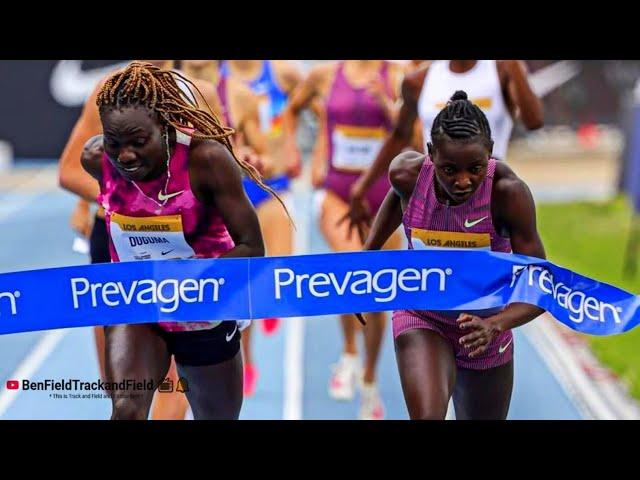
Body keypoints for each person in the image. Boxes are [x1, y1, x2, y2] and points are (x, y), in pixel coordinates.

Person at [80, 61, 273, 420]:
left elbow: (252, 247)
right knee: (126, 410)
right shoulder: (97, 160)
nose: (125, 155)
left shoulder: (207, 161)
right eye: (114, 142)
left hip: (203, 308)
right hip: (137, 304)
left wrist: (189, 283)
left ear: (166, 126)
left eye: (139, 142)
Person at [360, 90, 546, 419]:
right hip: (421, 316)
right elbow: (397, 197)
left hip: (485, 330)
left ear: (490, 153)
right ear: (431, 154)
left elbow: (540, 283)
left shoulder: (508, 194)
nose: (462, 182)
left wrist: (496, 324)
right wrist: (366, 257)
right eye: (448, 170)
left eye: (475, 168)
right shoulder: (407, 175)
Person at [59, 60, 222, 420]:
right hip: (117, 245)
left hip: (183, 247)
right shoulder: (107, 91)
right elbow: (70, 170)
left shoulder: (198, 93)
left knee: (177, 379)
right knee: (123, 394)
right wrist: (123, 199)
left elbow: (222, 172)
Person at [283, 60, 404, 420]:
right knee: (351, 269)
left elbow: (409, 135)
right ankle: (350, 353)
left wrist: (386, 103)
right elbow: (292, 111)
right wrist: (297, 151)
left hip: (386, 197)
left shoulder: (395, 75)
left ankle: (369, 379)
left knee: (378, 291)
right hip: (338, 191)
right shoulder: (325, 75)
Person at [346, 60, 544, 237]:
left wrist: (515, 65)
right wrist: (361, 186)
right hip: (437, 186)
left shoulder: (502, 69)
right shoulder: (419, 80)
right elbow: (399, 136)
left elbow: (534, 121)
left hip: (487, 192)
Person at [219, 60, 304, 396]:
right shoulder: (217, 77)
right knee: (244, 287)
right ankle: (248, 359)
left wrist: (290, 138)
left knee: (276, 269)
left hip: (271, 181)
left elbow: (309, 98)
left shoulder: (280, 72)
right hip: (234, 187)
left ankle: (269, 301)